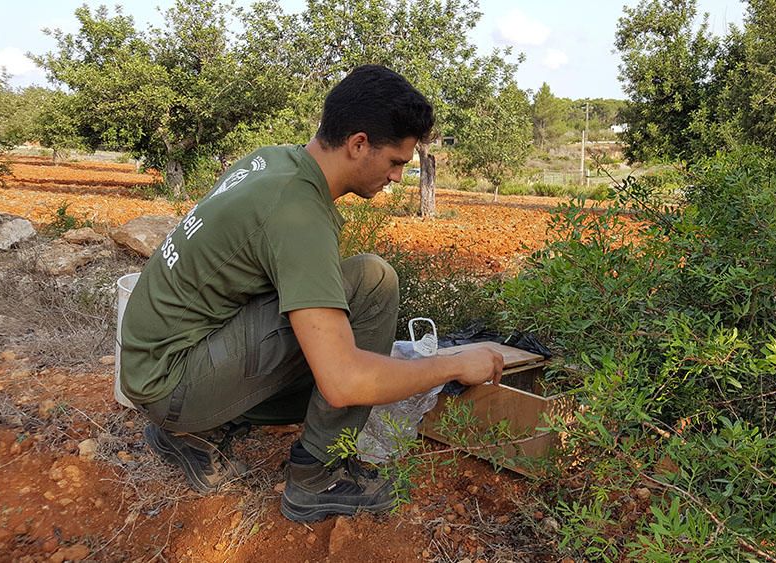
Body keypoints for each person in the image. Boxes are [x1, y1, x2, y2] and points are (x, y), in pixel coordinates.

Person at [119, 65, 504, 523]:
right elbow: (343, 383)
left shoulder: (277, 160)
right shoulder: (297, 212)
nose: (398, 177)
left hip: (156, 362)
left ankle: (192, 434)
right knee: (373, 287)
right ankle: (317, 476)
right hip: (172, 384)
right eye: (396, 162)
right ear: (359, 144)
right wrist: (456, 364)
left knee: (358, 290)